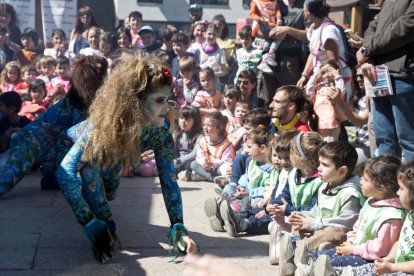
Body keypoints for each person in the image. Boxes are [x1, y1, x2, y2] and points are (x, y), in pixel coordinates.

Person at [56, 54, 197, 262]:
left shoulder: (159, 134)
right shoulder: (102, 130)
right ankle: (106, 229)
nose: (166, 107)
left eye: (167, 100)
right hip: (72, 152)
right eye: (159, 100)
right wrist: (87, 220)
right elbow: (66, 170)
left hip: (113, 159)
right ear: (136, 102)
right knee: (92, 179)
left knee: (108, 192)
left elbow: (169, 181)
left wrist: (179, 227)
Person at [0, 55, 108, 196]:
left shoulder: (77, 99)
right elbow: (80, 134)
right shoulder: (78, 103)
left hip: (47, 142)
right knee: (5, 181)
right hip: (31, 141)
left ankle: (53, 177)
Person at [300, 156, 405, 276]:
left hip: (371, 259)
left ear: (381, 187)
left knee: (335, 262)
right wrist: (350, 242)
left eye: (365, 179)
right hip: (356, 249)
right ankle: (306, 261)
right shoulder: (371, 201)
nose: (360, 180)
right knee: (326, 254)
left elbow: (380, 249)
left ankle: (309, 268)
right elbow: (357, 227)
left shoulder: (391, 215)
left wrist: (354, 249)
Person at [357, 0, 414, 161]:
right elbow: (372, 27)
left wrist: (368, 50)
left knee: (409, 141)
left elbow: (404, 28)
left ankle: (409, 186)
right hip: (379, 74)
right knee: (384, 141)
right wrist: (367, 57)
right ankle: (385, 184)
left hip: (404, 76)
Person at [346, 160, 414, 276]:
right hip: (395, 266)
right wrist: (388, 259)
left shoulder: (393, 214)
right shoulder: (410, 214)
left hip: (404, 271)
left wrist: (392, 267)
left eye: (402, 189)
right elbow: (400, 242)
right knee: (355, 272)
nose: (397, 192)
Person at [256, 0, 308, 107]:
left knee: (289, 102)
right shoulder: (270, 2)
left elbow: (310, 36)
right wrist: (271, 33)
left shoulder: (305, 5)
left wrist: (288, 30)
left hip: (290, 62)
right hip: (267, 61)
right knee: (266, 102)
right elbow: (256, 31)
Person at [297, 0, 352, 100]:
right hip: (321, 78)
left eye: (303, 7)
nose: (302, 10)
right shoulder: (314, 28)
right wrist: (304, 75)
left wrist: (315, 80)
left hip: (333, 79)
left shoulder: (328, 31)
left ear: (309, 11)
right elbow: (314, 54)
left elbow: (332, 63)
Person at [306, 59, 346, 141]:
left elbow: (341, 91)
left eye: (329, 71)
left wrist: (337, 76)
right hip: (317, 122)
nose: (326, 75)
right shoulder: (318, 87)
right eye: (323, 73)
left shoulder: (335, 87)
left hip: (331, 123)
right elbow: (308, 90)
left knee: (330, 146)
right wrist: (316, 74)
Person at [190, 111, 235, 182]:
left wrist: (213, 163)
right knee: (193, 164)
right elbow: (199, 156)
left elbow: (227, 161)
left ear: (219, 128)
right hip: (206, 168)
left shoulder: (226, 144)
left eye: (209, 125)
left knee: (226, 168)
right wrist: (204, 163)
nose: (205, 128)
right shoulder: (203, 140)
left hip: (218, 168)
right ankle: (212, 178)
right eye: (204, 125)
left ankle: (201, 176)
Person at [250, 0, 284, 73]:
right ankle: (271, 55)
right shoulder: (256, 2)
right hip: (264, 24)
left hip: (271, 23)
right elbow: (252, 14)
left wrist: (279, 18)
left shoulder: (275, 1)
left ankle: (264, 62)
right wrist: (259, 19)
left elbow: (277, 10)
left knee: (268, 41)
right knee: (280, 36)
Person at [195, 24, 228, 90]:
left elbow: (225, 71)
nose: (212, 36)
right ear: (204, 34)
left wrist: (212, 75)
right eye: (209, 34)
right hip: (200, 83)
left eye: (214, 34)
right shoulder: (198, 49)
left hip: (214, 84)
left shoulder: (220, 51)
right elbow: (195, 68)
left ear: (217, 35)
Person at [174, 106, 203, 181]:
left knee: (193, 164)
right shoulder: (176, 134)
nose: (183, 122)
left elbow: (194, 154)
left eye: (187, 119)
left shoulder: (200, 136)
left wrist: (179, 161)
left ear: (195, 121)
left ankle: (190, 174)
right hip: (178, 162)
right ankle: (186, 174)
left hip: (189, 162)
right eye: (181, 118)